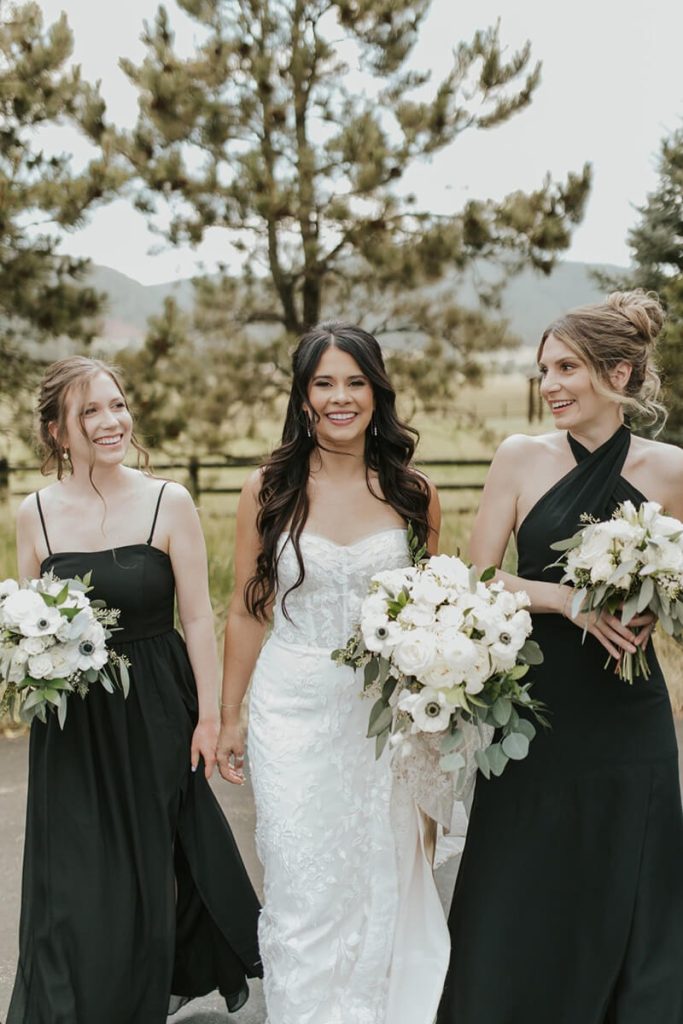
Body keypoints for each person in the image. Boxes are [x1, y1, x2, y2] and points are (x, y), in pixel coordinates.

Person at [438, 290, 683, 1023]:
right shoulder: (519, 458)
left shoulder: (670, 469)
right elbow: (476, 579)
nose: (549, 385)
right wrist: (566, 600)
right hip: (535, 705)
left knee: (628, 868)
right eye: (543, 369)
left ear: (620, 372)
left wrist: (652, 598)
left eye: (567, 368)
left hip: (627, 702)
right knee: (524, 872)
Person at [7, 356, 262, 1024]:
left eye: (116, 405)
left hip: (155, 707)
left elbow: (200, 617)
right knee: (71, 878)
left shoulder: (166, 502)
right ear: (59, 432)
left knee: (147, 874)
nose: (110, 420)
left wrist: (210, 717)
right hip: (73, 722)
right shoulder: (33, 514)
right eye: (89, 410)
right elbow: (26, 625)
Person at [216, 322, 449, 1024]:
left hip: (383, 714)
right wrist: (228, 715)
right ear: (303, 395)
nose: (339, 397)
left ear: (376, 394)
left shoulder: (412, 492)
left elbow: (433, 608)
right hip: (290, 710)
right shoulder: (268, 490)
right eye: (324, 383)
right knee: (303, 879)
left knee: (378, 870)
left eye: (354, 382)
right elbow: (245, 608)